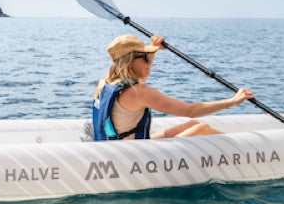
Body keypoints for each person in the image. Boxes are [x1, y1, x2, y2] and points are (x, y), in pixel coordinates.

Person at [93, 33, 254, 141]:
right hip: (132, 154)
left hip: (116, 144)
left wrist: (153, 50)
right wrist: (233, 101)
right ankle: (244, 149)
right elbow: (190, 111)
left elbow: (140, 77)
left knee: (193, 126)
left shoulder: (105, 83)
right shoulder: (140, 93)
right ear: (130, 61)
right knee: (202, 128)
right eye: (145, 57)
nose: (149, 61)